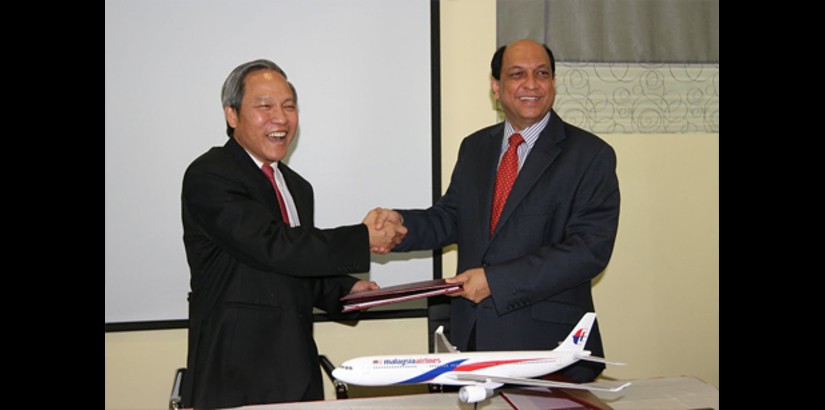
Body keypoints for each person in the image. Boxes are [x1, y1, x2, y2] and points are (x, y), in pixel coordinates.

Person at [366, 39, 620, 383]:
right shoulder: (475, 148)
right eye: (517, 74)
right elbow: (451, 218)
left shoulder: (590, 155)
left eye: (541, 74)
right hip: (473, 341)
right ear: (496, 87)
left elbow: (589, 251)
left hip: (550, 351)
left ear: (553, 83)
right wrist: (401, 225)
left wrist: (496, 282)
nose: (531, 84)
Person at [180, 58, 406, 409]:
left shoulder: (297, 187)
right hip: (235, 376)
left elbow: (293, 269)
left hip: (297, 372)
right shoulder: (210, 175)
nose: (281, 118)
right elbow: (272, 246)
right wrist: (362, 239)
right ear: (232, 115)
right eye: (265, 106)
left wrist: (344, 290)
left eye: (289, 106)